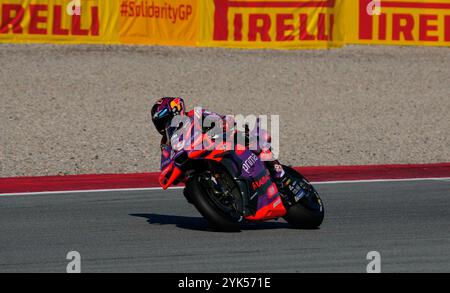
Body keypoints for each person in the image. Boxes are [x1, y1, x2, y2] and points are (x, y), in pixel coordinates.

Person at [151, 97, 303, 201]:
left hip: (219, 143)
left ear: (176, 110)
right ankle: (220, 201)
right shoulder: (166, 143)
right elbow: (166, 163)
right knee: (189, 194)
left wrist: (223, 125)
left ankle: (282, 177)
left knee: (250, 138)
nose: (163, 125)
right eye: (159, 123)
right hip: (196, 161)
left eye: (165, 119)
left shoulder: (195, 115)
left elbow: (219, 119)